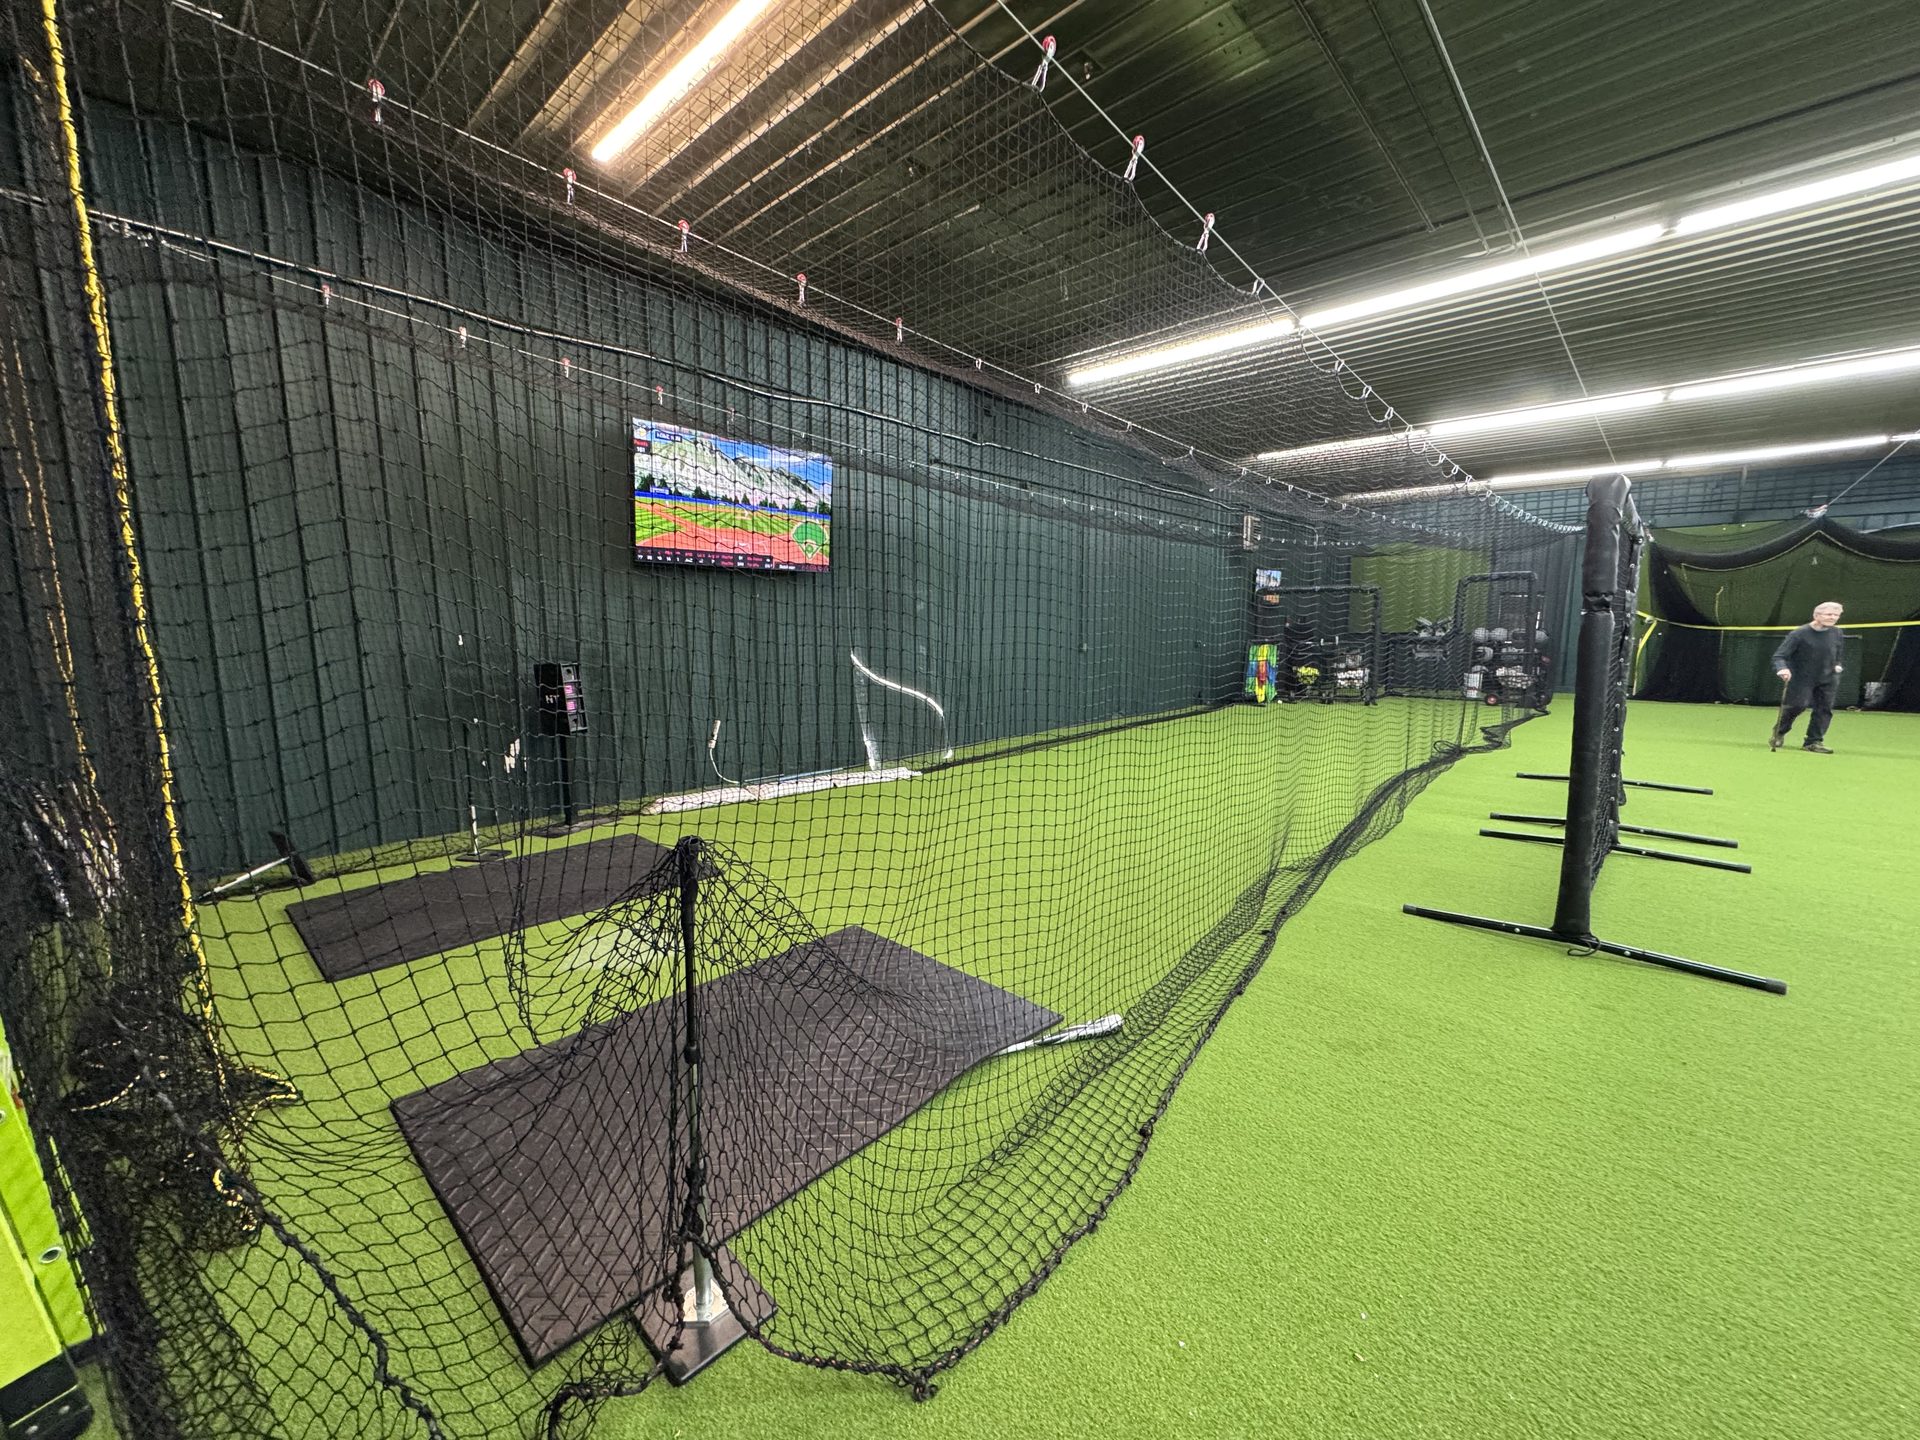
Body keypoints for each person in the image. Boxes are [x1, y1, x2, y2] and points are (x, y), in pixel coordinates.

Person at [1769, 601, 1846, 753]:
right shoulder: (1799, 634)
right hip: (1802, 678)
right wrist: (1782, 669)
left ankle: (1813, 742)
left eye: (1836, 615)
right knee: (1798, 705)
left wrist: (1837, 664)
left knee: (1824, 709)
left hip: (1828, 678)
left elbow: (1838, 653)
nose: (1833, 618)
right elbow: (1779, 656)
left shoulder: (1837, 632)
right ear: (1816, 615)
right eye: (1829, 614)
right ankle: (1779, 731)